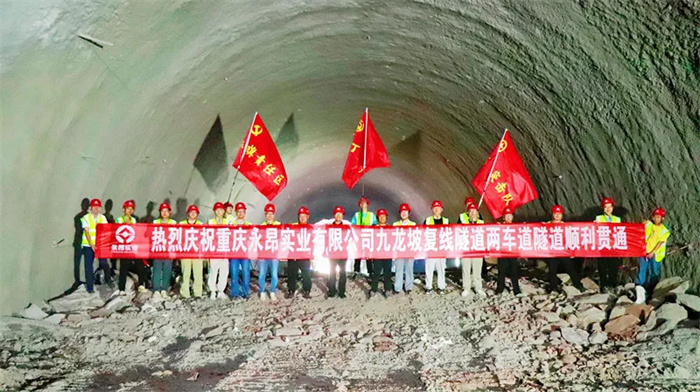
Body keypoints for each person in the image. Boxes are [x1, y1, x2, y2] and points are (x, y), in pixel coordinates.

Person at [546, 205, 585, 293]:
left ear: (562, 215)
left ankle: (578, 285)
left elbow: (569, 239)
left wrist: (571, 252)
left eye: (559, 214)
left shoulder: (565, 226)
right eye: (555, 214)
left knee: (570, 268)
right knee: (552, 269)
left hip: (563, 251)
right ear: (552, 214)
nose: (557, 216)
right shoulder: (547, 225)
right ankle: (554, 288)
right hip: (551, 251)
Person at [635, 207, 670, 304]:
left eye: (659, 217)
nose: (656, 219)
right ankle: (640, 292)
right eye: (655, 216)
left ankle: (652, 292)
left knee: (654, 272)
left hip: (655, 255)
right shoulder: (648, 224)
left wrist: (652, 252)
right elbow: (639, 229)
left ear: (662, 218)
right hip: (643, 252)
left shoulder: (664, 231)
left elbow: (660, 243)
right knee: (642, 270)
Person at [79, 198, 111, 293]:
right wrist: (91, 244)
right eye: (94, 207)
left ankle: (108, 280)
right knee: (89, 266)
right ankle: (90, 287)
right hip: (88, 246)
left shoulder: (102, 218)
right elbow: (87, 232)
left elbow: (105, 231)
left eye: (98, 207)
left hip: (100, 245)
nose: (96, 209)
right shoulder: (86, 218)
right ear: (90, 208)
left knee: (104, 263)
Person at [116, 200, 147, 296]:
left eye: (131, 209)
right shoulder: (119, 220)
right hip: (124, 247)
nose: (129, 210)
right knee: (124, 267)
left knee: (140, 264)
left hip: (133, 247)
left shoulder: (134, 220)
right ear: (123, 209)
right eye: (128, 208)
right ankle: (121, 288)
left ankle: (141, 285)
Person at [320, 206, 352, 298]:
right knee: (332, 273)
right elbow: (326, 240)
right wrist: (325, 251)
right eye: (337, 214)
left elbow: (350, 238)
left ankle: (342, 292)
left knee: (342, 273)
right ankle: (332, 291)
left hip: (342, 254)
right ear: (334, 215)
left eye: (340, 214)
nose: (338, 216)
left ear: (342, 216)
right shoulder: (329, 227)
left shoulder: (346, 228)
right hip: (332, 254)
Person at [595, 197, 622, 293]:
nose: (608, 209)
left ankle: (613, 284)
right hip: (602, 246)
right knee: (602, 267)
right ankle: (604, 285)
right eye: (606, 207)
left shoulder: (617, 219)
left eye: (610, 207)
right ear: (602, 208)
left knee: (613, 266)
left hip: (613, 246)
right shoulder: (598, 218)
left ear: (613, 208)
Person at [458, 202, 486, 297]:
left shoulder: (481, 223)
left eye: (475, 211)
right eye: (471, 211)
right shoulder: (463, 222)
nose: (473, 213)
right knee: (466, 269)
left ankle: (478, 288)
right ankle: (466, 288)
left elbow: (485, 236)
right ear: (468, 213)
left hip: (477, 250)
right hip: (466, 249)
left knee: (477, 270)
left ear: (478, 213)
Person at [286, 206, 312, 299]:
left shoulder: (311, 228)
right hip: (293, 255)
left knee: (306, 274)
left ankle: (307, 290)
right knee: (292, 274)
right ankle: (291, 290)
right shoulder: (293, 227)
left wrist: (312, 254)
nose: (302, 218)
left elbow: (313, 242)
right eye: (301, 216)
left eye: (304, 216)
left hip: (304, 255)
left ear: (308, 216)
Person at [152, 202, 177, 299]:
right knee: (157, 270)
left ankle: (164, 289)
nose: (165, 213)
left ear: (170, 212)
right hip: (158, 250)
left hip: (169, 250)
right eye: (163, 211)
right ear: (160, 212)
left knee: (167, 270)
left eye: (167, 211)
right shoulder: (155, 222)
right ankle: (156, 289)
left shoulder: (173, 223)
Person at [179, 204, 204, 299]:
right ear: (187, 214)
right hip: (185, 252)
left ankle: (198, 292)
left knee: (198, 273)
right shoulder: (181, 224)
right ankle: (185, 292)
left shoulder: (201, 225)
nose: (193, 214)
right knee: (186, 273)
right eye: (191, 212)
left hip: (197, 253)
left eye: (195, 212)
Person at [229, 202, 252, 300]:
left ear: (245, 212)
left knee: (246, 273)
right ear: (236, 213)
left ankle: (245, 292)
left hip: (245, 253)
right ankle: (235, 293)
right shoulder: (232, 225)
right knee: (234, 273)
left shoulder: (249, 225)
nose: (240, 214)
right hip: (234, 252)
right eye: (238, 212)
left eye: (242, 211)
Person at [495, 207, 521, 296]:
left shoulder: (516, 227)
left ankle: (516, 290)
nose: (509, 218)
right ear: (504, 217)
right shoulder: (499, 227)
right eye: (507, 216)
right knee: (501, 272)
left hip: (512, 252)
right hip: (502, 252)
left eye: (510, 216)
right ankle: (500, 289)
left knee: (514, 271)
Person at [424, 200, 448, 294]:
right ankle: (428, 287)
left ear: (442, 209)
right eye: (435, 208)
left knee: (441, 269)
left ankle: (441, 287)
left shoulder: (446, 221)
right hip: (431, 248)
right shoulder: (427, 220)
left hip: (442, 249)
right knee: (429, 269)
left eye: (438, 208)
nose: (437, 209)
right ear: (432, 209)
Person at [259, 203, 281, 301]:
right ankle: (262, 291)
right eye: (268, 213)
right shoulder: (261, 226)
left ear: (274, 215)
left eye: (271, 213)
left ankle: (272, 291)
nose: (269, 215)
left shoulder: (279, 225)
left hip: (274, 254)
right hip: (263, 254)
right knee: (262, 274)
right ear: (265, 215)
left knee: (274, 274)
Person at [207, 202, 230, 299]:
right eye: (217, 210)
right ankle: (213, 290)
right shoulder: (210, 222)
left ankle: (221, 290)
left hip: (224, 250)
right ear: (214, 211)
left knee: (224, 271)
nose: (219, 211)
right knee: (213, 270)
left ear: (224, 211)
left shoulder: (227, 222)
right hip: (214, 250)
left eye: (221, 210)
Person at [351, 196, 377, 280]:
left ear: (367, 205)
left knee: (368, 255)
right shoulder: (357, 215)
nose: (363, 205)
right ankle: (356, 271)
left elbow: (375, 225)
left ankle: (370, 272)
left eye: (364, 203)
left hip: (368, 238)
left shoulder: (371, 215)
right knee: (358, 255)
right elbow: (353, 225)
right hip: (359, 238)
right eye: (361, 203)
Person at [393, 203, 416, 295]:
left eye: (405, 211)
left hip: (409, 250)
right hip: (399, 251)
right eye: (402, 211)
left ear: (408, 213)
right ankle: (397, 288)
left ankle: (408, 287)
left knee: (409, 269)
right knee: (398, 269)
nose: (404, 213)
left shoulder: (413, 224)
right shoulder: (395, 224)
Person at [370, 208, 393, 298]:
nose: (382, 218)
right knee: (376, 273)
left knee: (387, 273)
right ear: (377, 218)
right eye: (380, 216)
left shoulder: (390, 229)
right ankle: (373, 289)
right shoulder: (373, 229)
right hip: (377, 255)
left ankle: (387, 289)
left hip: (387, 254)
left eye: (384, 216)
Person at [72, 198, 90, 286]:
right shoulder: (88, 217)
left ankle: (78, 279)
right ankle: (79, 279)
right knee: (83, 263)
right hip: (83, 242)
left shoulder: (78, 217)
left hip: (81, 242)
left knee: (79, 263)